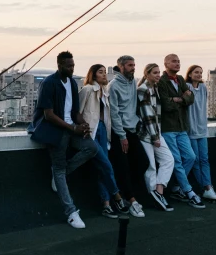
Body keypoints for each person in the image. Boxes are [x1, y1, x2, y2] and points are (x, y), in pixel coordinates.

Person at [28, 51, 97, 229]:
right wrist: (72, 128)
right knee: (58, 168)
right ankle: (71, 212)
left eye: (73, 65)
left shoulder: (72, 83)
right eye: (68, 66)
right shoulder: (49, 83)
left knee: (91, 148)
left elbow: (75, 112)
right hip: (55, 131)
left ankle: (61, 174)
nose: (72, 68)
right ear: (59, 66)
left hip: (70, 128)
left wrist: (83, 125)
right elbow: (48, 115)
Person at [79, 64, 129, 218]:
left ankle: (106, 205)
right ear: (93, 75)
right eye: (100, 72)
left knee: (103, 168)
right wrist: (83, 128)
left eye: (104, 72)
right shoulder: (87, 90)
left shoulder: (105, 92)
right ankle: (117, 196)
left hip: (102, 132)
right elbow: (77, 111)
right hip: (91, 132)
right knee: (106, 165)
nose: (104, 75)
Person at [158, 54, 205, 209]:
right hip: (168, 128)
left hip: (181, 127)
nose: (177, 63)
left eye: (178, 61)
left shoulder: (181, 80)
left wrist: (177, 99)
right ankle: (189, 191)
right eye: (174, 61)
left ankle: (177, 186)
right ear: (166, 64)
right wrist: (180, 99)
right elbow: (165, 105)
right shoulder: (162, 81)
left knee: (190, 157)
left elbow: (190, 100)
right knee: (177, 160)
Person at [109, 55, 146, 218]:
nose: (133, 68)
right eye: (130, 65)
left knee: (142, 162)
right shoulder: (113, 86)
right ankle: (131, 201)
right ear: (121, 67)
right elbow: (114, 113)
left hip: (132, 130)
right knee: (122, 167)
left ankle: (126, 193)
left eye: (134, 65)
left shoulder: (132, 81)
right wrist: (122, 136)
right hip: (120, 133)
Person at [137, 63, 175, 212]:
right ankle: (154, 194)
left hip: (156, 133)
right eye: (155, 73)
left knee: (168, 159)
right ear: (147, 74)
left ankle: (158, 191)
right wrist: (155, 137)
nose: (158, 75)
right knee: (151, 165)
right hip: (146, 134)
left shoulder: (155, 88)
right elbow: (148, 116)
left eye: (159, 72)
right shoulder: (143, 90)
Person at [185, 65, 216, 201]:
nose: (199, 74)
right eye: (196, 72)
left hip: (202, 129)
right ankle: (205, 188)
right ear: (189, 74)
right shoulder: (186, 87)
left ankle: (208, 187)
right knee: (196, 160)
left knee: (205, 160)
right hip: (191, 129)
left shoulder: (204, 88)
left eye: (200, 72)